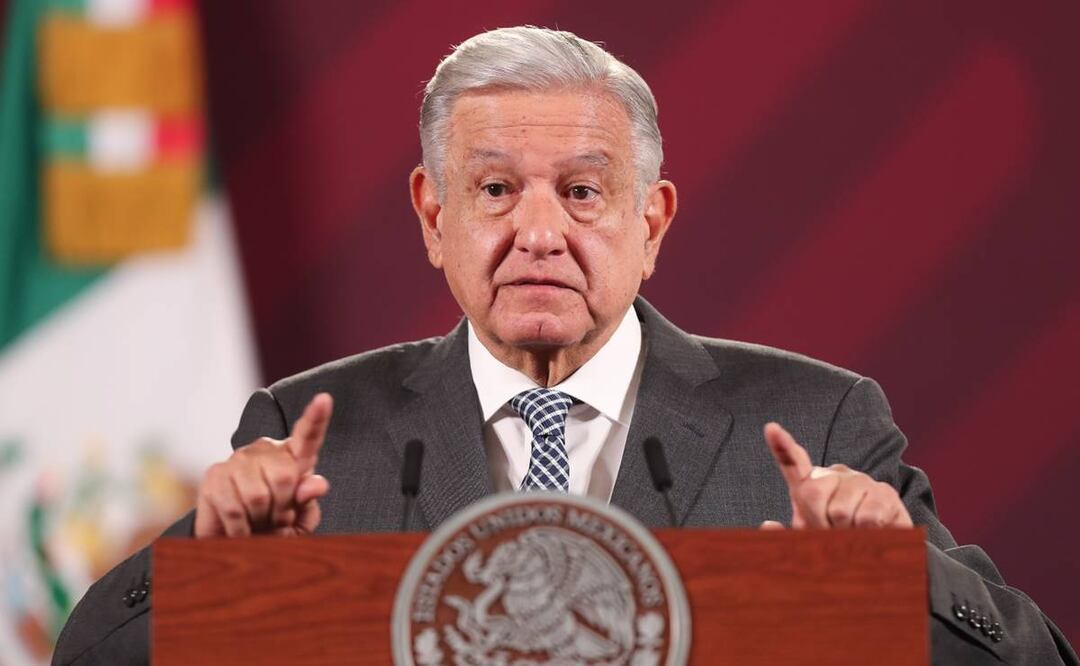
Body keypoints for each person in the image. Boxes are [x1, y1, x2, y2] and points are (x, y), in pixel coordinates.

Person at [53, 26, 1077, 665]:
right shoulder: (314, 440)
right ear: (431, 213)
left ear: (654, 221)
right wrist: (209, 566)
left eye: (583, 192)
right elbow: (87, 657)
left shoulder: (818, 426)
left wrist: (895, 580)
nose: (538, 233)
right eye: (495, 189)